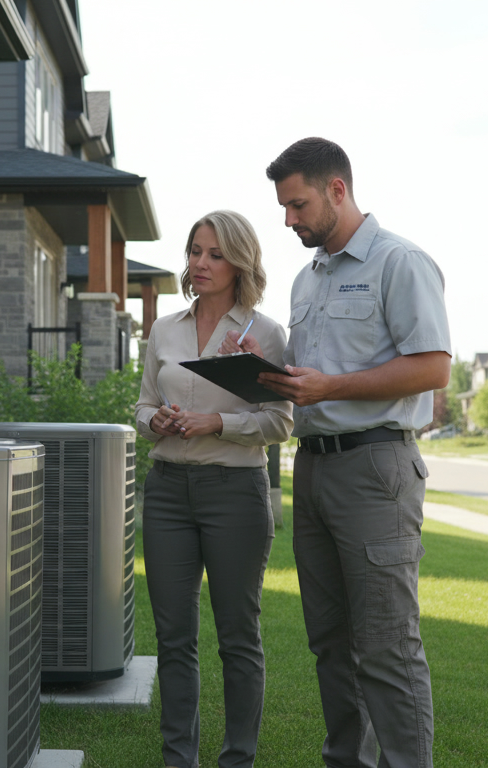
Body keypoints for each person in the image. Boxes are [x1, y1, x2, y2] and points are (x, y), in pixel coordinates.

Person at [222, 138, 451, 768]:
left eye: (297, 205)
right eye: (284, 208)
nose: (288, 220)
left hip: (376, 468)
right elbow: (312, 376)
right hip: (315, 466)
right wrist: (266, 373)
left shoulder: (399, 262)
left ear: (337, 190)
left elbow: (433, 368)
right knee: (331, 643)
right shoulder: (307, 279)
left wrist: (331, 386)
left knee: (385, 644)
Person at [135, 210, 293, 768]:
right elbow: (144, 403)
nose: (200, 263)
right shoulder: (163, 329)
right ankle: (179, 759)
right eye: (195, 251)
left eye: (215, 254)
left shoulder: (265, 334)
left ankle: (237, 760)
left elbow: (280, 422)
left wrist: (217, 423)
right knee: (174, 639)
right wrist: (154, 421)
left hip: (235, 495)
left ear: (239, 263)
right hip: (169, 492)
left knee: (237, 638)